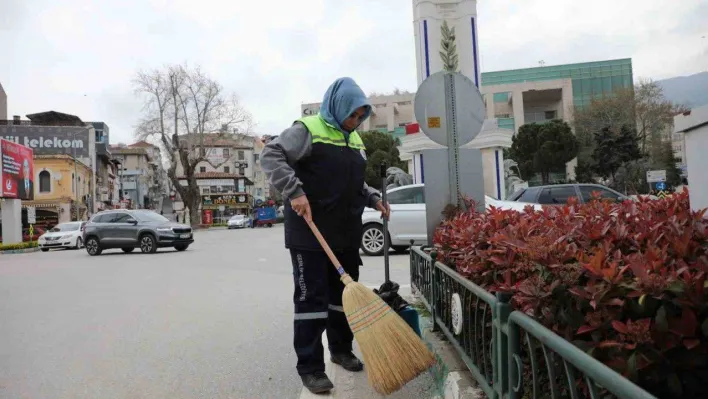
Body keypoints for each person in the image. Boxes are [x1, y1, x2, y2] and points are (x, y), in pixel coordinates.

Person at [261, 77, 390, 394]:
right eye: (353, 115)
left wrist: (373, 197)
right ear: (339, 106)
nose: (356, 121)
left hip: (345, 233)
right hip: (310, 234)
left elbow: (353, 182)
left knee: (342, 298)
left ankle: (341, 350)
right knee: (312, 300)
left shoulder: (355, 140)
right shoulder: (308, 130)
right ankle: (310, 367)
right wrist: (294, 192)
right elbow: (271, 155)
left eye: (361, 117)